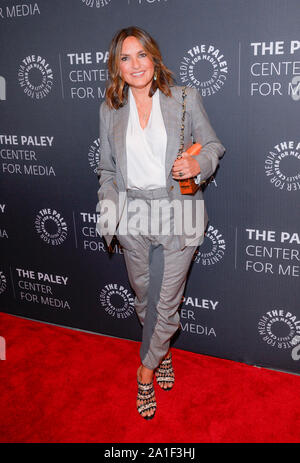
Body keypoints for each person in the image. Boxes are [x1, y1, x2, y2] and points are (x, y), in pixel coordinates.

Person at [96, 26, 225, 420]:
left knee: (167, 300)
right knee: (144, 297)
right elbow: (106, 169)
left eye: (142, 55)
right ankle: (163, 352)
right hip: (132, 212)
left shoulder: (184, 97)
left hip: (178, 208)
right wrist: (108, 211)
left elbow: (214, 145)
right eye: (125, 57)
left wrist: (197, 165)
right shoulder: (110, 109)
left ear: (154, 57)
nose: (135, 65)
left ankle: (146, 370)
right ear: (116, 66)